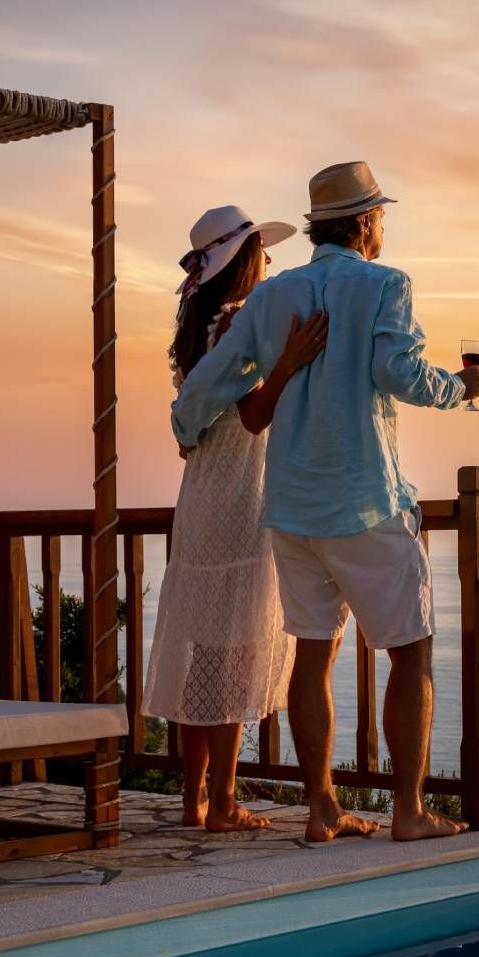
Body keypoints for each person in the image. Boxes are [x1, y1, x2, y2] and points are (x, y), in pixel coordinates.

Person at [172, 163, 479, 843]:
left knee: (312, 656)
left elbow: (209, 381)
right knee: (410, 652)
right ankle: (408, 811)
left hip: (290, 508)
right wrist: (462, 387)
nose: (383, 228)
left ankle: (321, 809)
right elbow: (396, 373)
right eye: (381, 216)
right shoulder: (385, 286)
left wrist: (184, 428)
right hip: (365, 498)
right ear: (367, 222)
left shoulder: (272, 297)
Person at [144, 205, 328, 832]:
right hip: (240, 494)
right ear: (245, 260)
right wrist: (289, 364)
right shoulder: (237, 325)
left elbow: (193, 424)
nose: (270, 263)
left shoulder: (197, 325)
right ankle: (223, 801)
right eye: (263, 253)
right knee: (233, 650)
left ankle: (195, 798)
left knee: (200, 648)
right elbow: (252, 417)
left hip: (200, 494)